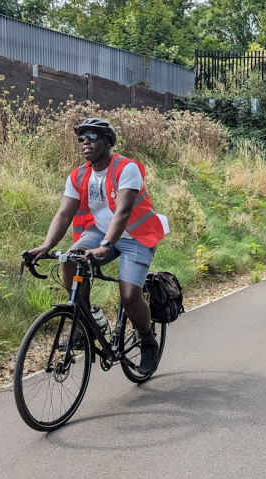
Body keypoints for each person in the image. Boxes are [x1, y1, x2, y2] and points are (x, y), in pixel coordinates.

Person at [24, 117, 165, 371]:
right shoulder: (78, 176)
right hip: (100, 232)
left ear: (108, 142)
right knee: (69, 260)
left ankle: (147, 340)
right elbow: (64, 214)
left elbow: (122, 212)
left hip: (136, 235)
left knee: (130, 294)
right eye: (81, 138)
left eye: (92, 138)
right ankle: (87, 322)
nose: (85, 143)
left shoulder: (127, 168)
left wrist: (106, 245)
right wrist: (45, 246)